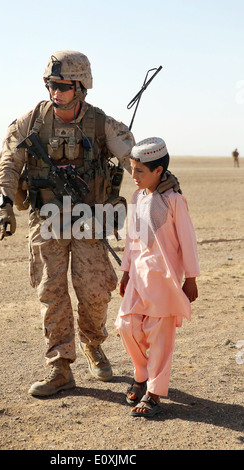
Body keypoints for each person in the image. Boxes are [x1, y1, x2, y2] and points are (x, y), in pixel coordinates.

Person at [0, 50, 180, 398]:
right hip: (47, 218)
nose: (55, 91)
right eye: (51, 84)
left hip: (90, 219)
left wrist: (164, 181)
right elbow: (9, 164)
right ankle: (60, 367)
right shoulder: (28, 123)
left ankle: (93, 344)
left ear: (81, 86)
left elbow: (132, 157)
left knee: (95, 291)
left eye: (62, 85)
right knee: (52, 292)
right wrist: (3, 205)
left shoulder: (100, 124)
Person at [115, 137, 200, 417]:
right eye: (132, 169)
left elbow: (188, 241)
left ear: (158, 171)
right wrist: (126, 271)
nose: (134, 176)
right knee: (126, 325)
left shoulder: (175, 200)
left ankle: (153, 392)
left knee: (160, 336)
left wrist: (191, 278)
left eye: (140, 170)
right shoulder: (138, 197)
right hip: (138, 276)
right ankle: (141, 374)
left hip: (164, 280)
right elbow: (131, 239)